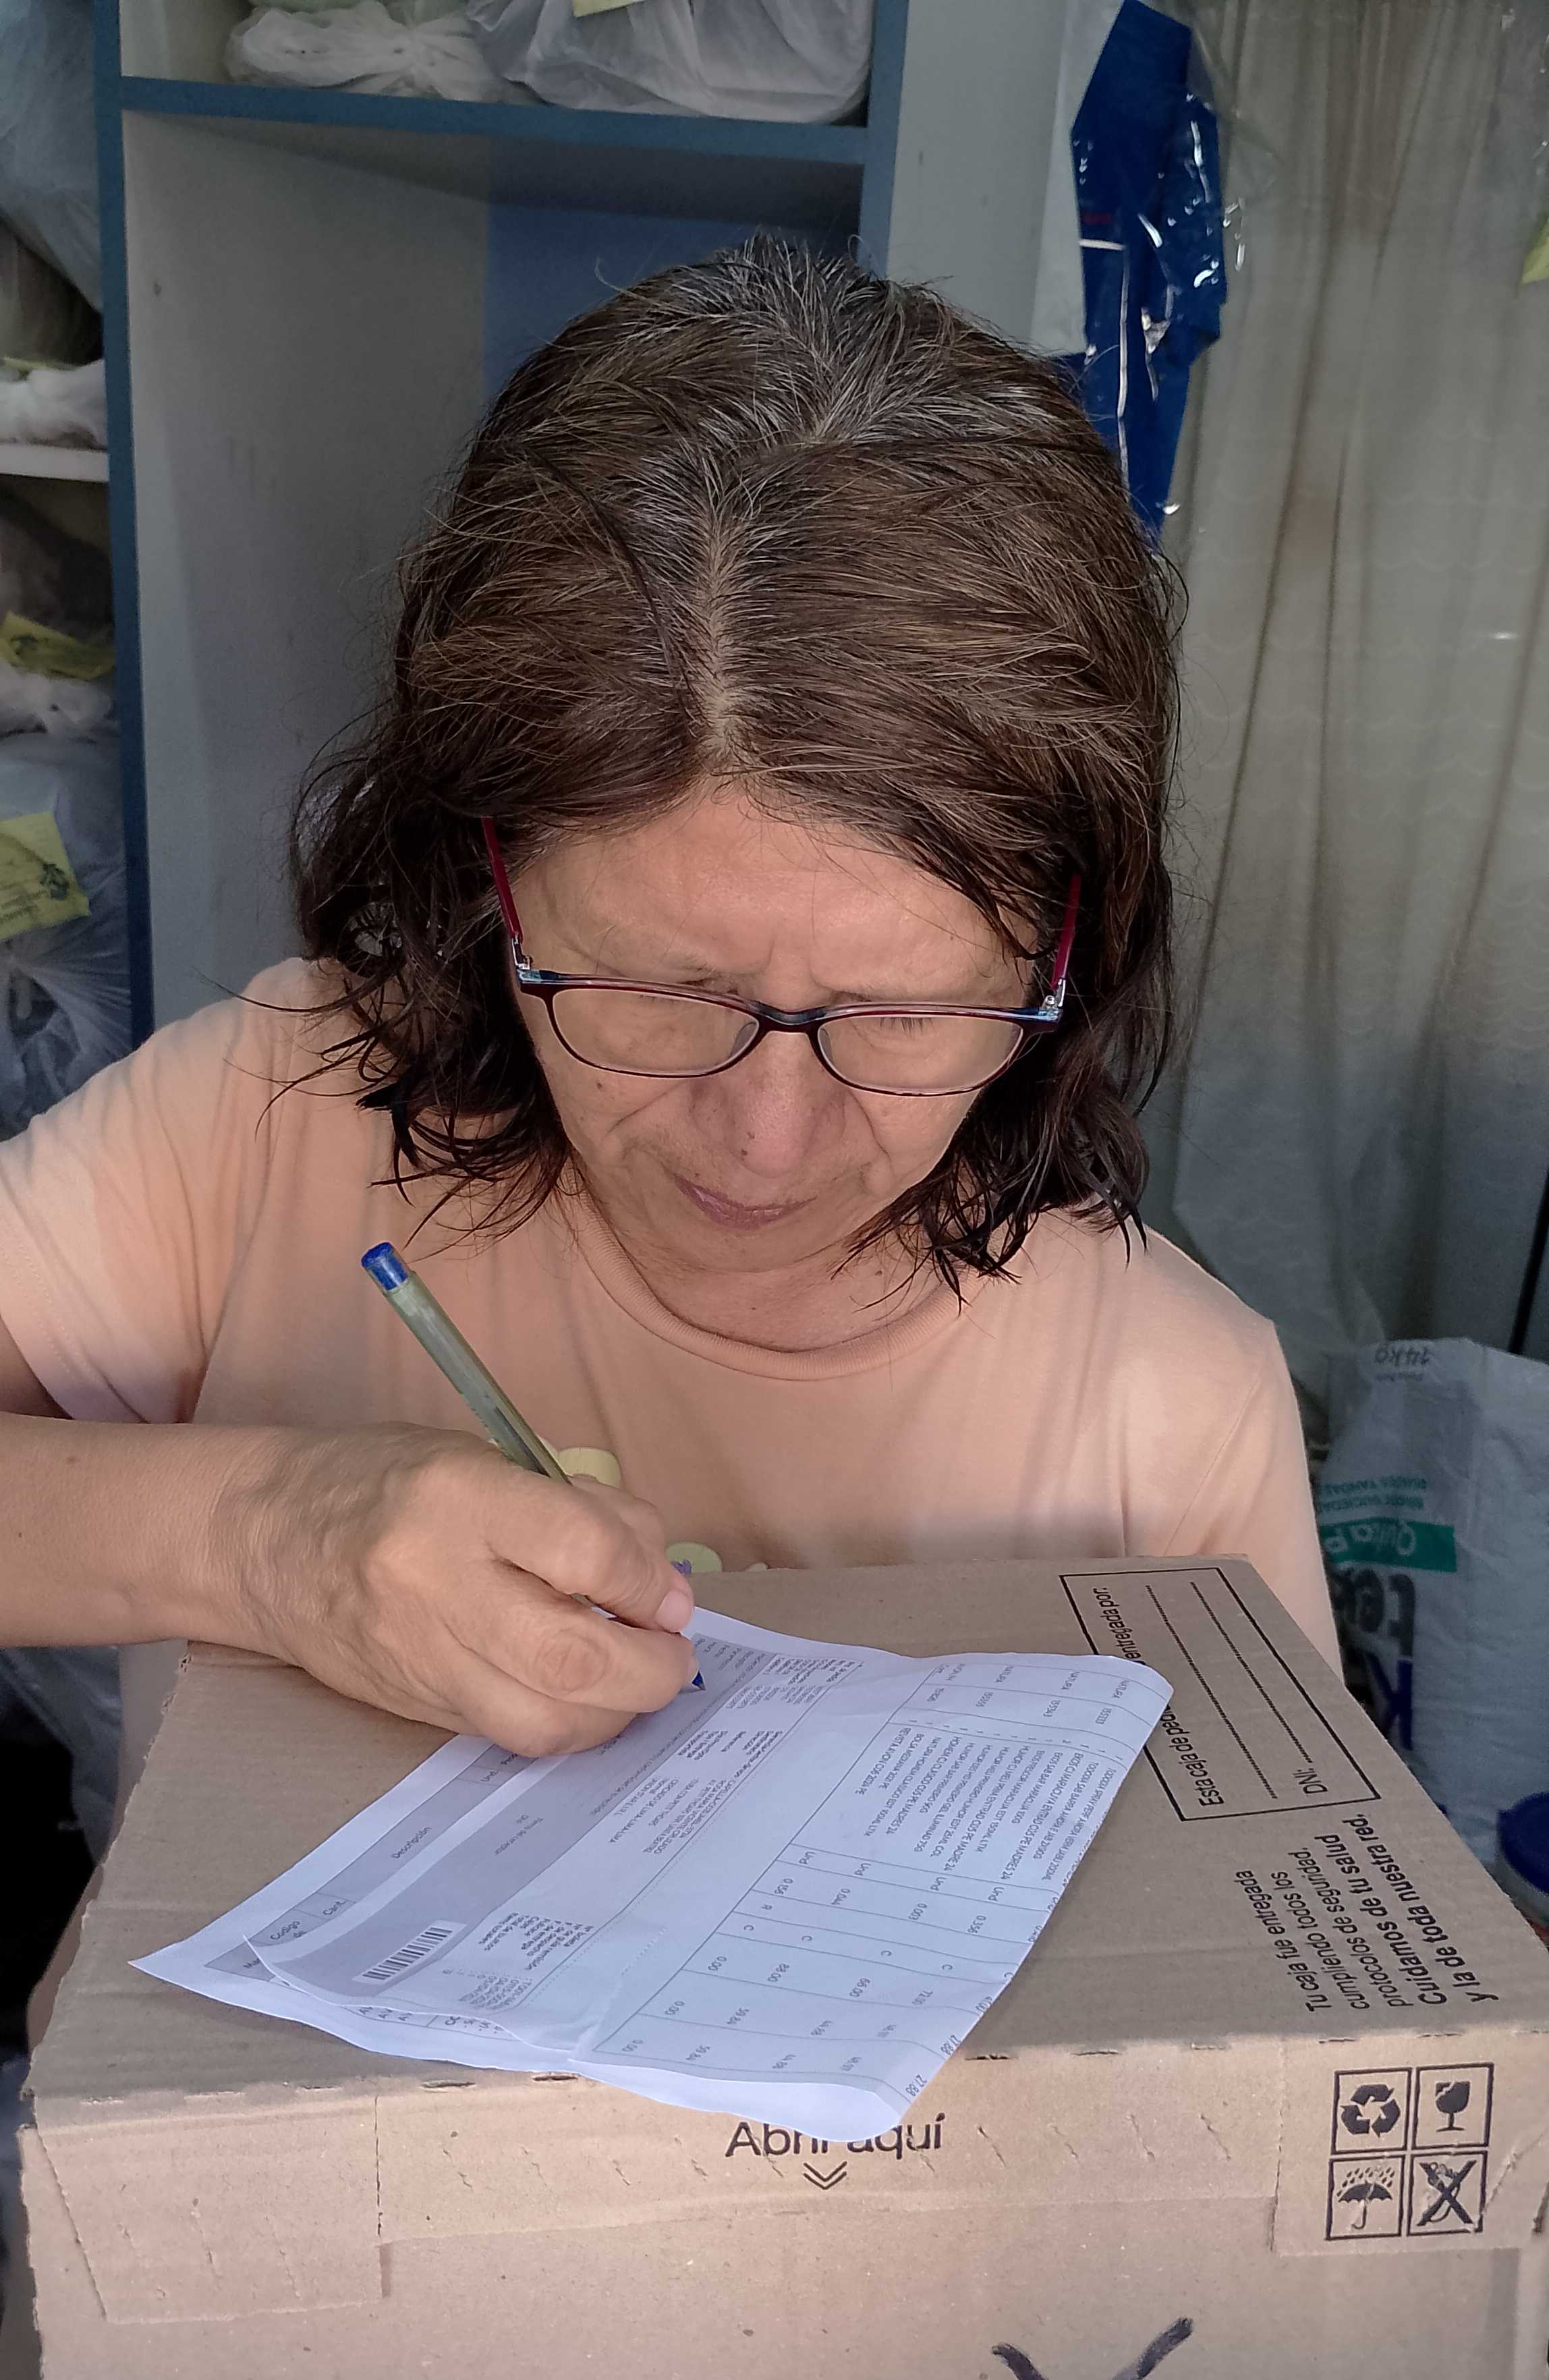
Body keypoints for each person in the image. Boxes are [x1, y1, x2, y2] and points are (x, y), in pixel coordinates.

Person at [0, 238, 1337, 1819]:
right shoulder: (268, 1116)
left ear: (1066, 949)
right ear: (486, 885)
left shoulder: (1168, 1415)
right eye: (653, 990)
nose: (765, 1144)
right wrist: (263, 1535)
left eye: (907, 1011)